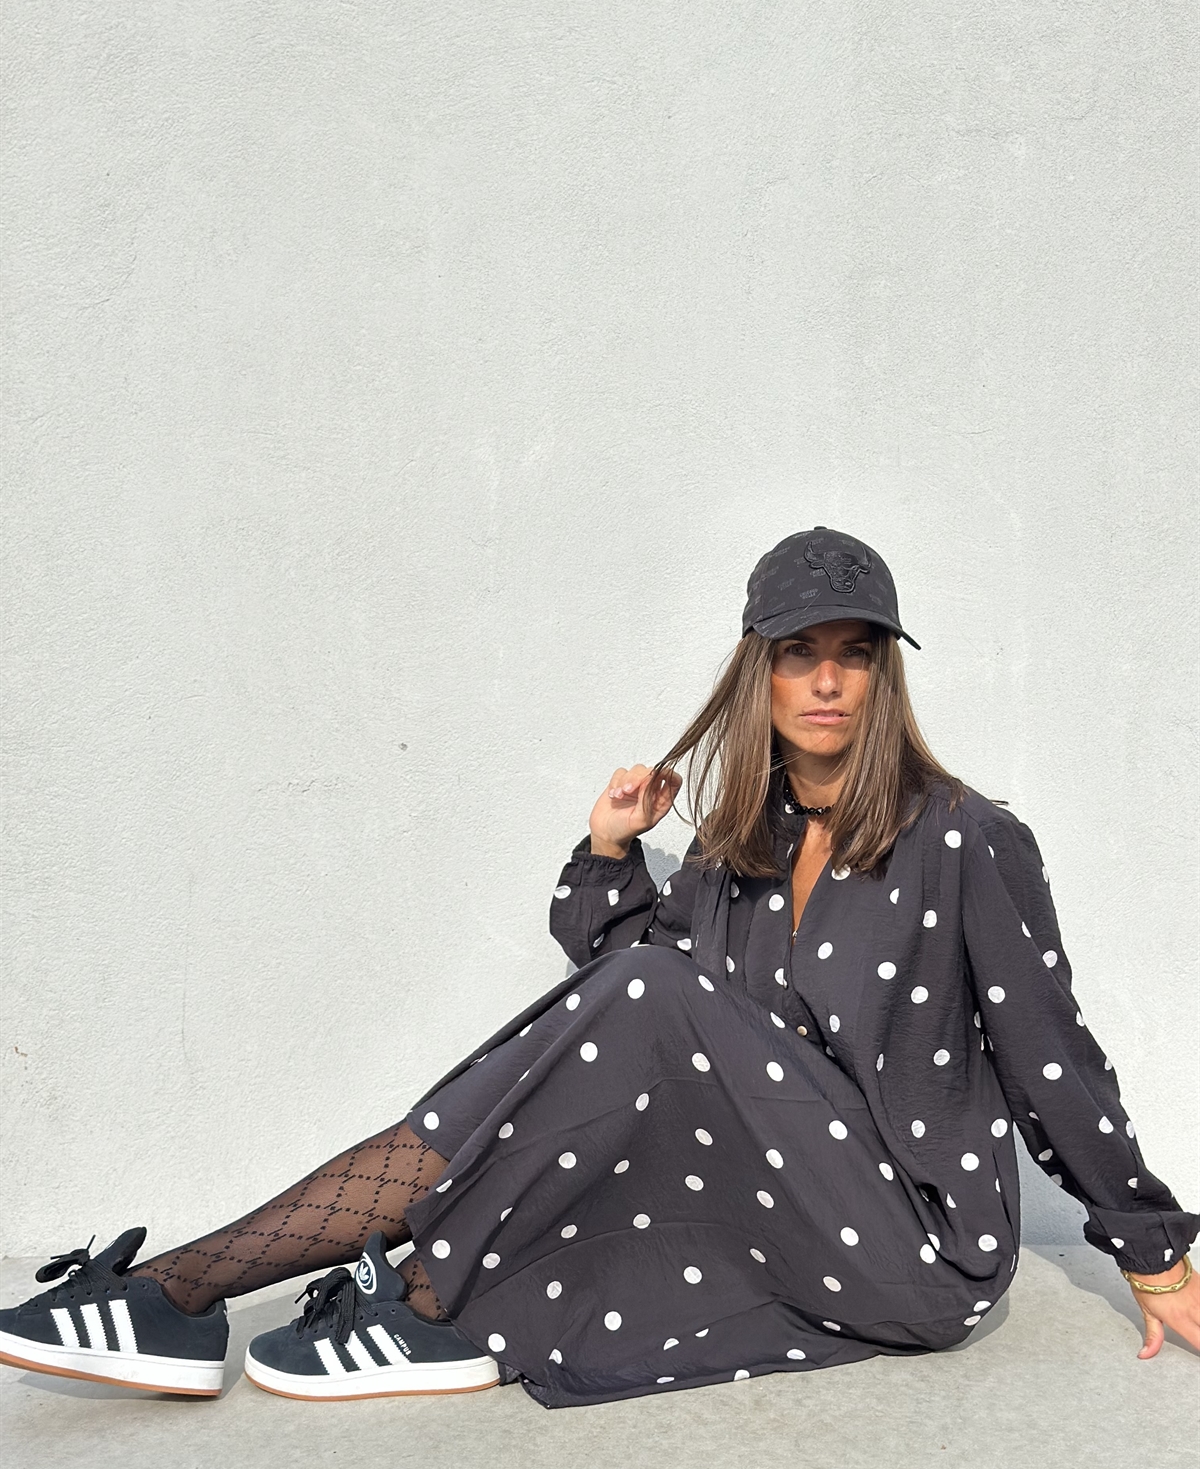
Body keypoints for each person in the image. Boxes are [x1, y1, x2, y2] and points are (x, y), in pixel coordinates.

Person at [2, 526, 1197, 1408]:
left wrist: (1151, 1250)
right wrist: (610, 850)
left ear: (887, 671)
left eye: (856, 652)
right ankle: (231, 1296)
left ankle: (271, 1293)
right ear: (761, 672)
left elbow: (1051, 1054)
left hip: (912, 1247)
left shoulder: (967, 838)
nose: (829, 681)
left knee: (650, 1000)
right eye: (799, 653)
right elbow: (630, 1011)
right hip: (786, 1205)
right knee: (643, 1004)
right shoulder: (741, 845)